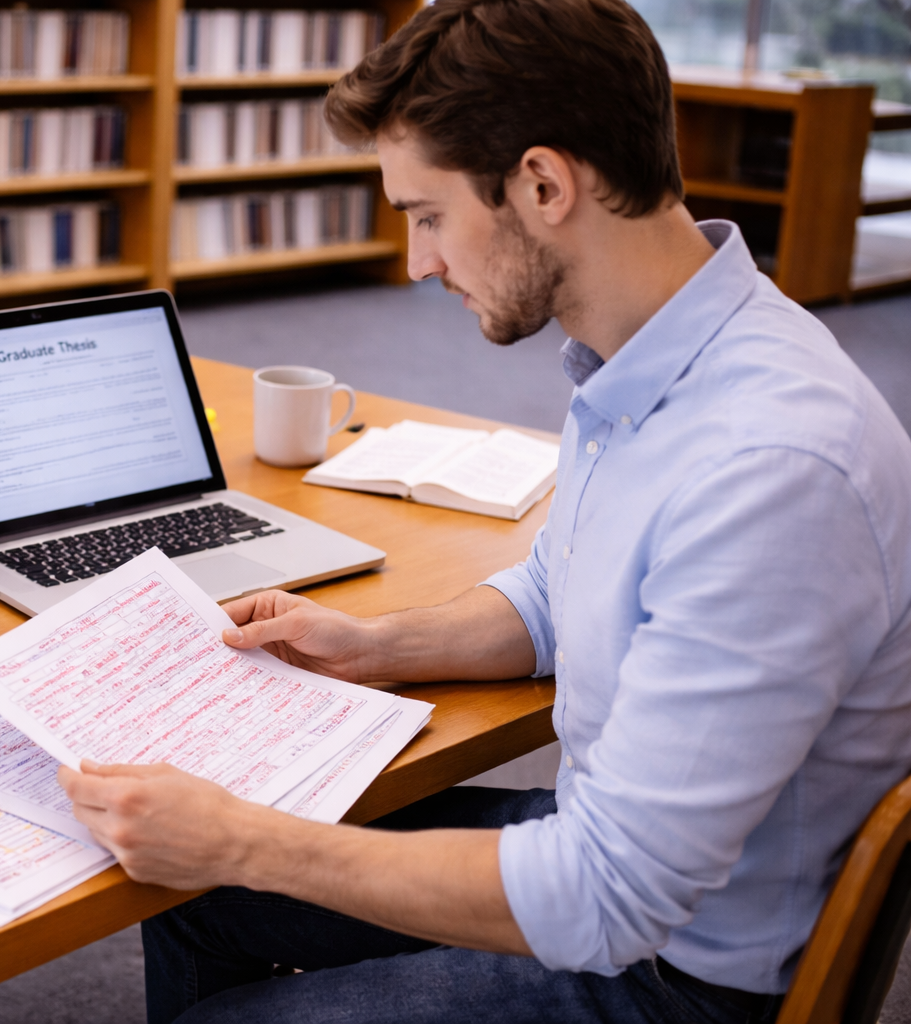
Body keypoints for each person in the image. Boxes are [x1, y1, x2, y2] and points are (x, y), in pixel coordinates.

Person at [54, 0, 911, 1021]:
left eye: (426, 216)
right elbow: (558, 590)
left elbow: (607, 896)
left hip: (679, 972)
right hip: (627, 853)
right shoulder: (653, 356)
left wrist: (243, 835)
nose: (418, 263)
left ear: (543, 184)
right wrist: (371, 644)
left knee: (224, 887)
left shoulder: (770, 466)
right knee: (193, 894)